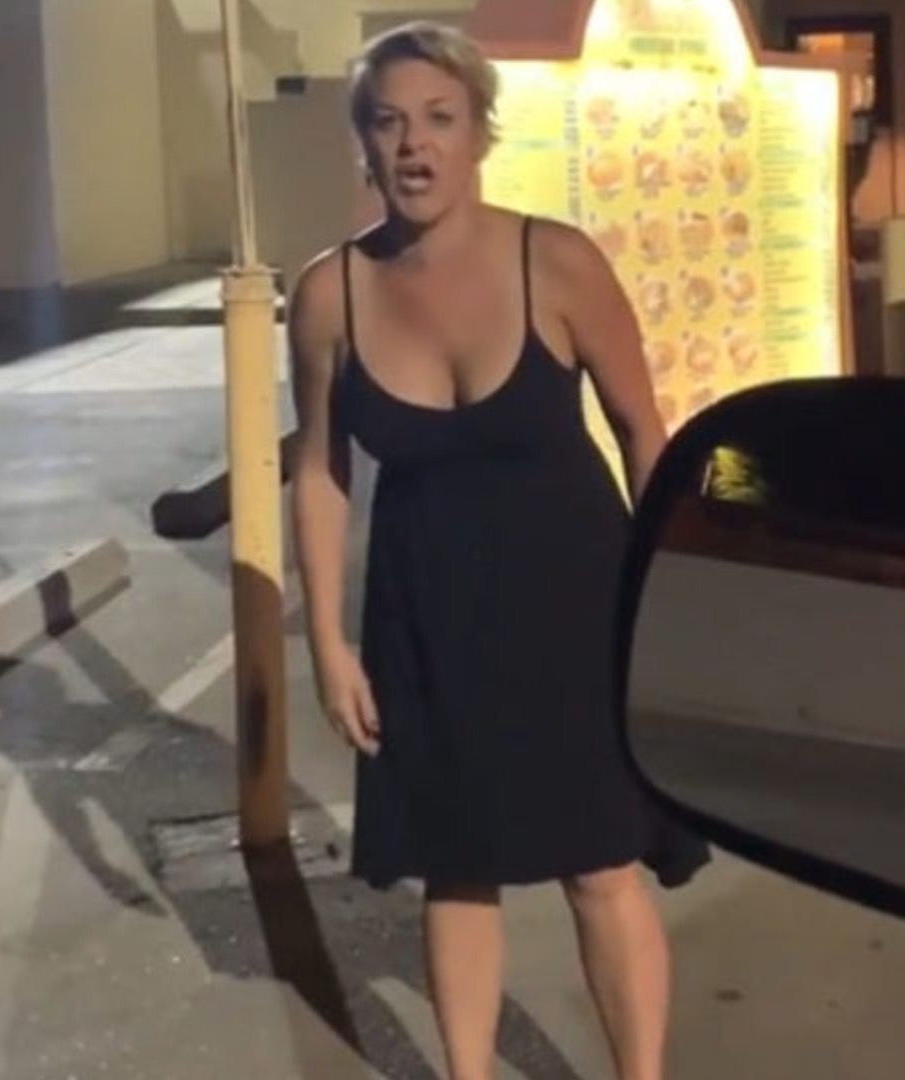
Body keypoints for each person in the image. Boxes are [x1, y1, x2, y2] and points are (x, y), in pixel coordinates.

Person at [287, 21, 709, 1080]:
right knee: (456, 869)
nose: (415, 145)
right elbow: (320, 469)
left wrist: (676, 602)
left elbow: (643, 431)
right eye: (390, 122)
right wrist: (329, 644)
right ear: (363, 143)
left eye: (440, 118)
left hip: (579, 606)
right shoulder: (330, 295)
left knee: (601, 866)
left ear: (480, 132)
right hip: (425, 615)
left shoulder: (556, 262)